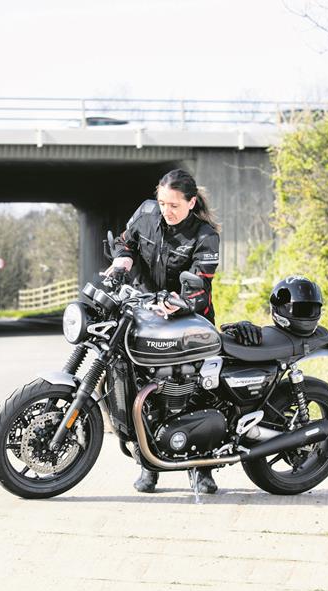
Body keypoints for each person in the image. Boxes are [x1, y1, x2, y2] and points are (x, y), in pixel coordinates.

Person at [105, 168, 222, 495]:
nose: (166, 211)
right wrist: (121, 263)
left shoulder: (205, 235)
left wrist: (180, 302)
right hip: (144, 313)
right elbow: (125, 244)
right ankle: (148, 465)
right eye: (162, 203)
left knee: (196, 392)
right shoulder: (145, 214)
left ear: (191, 202)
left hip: (189, 318)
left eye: (174, 205)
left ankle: (202, 469)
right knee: (137, 387)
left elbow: (200, 283)